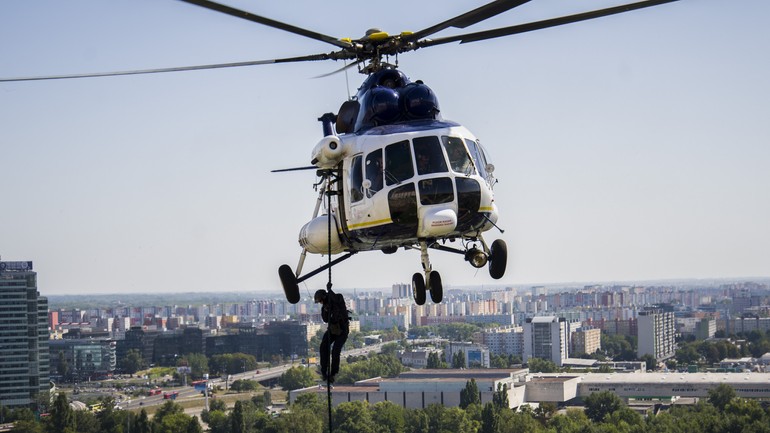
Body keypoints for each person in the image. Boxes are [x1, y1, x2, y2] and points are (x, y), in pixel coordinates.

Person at [315, 289, 350, 383]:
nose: (321, 303)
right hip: (333, 329)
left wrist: (330, 291)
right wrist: (326, 310)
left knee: (335, 351)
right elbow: (326, 320)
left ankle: (333, 373)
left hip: (342, 330)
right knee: (323, 346)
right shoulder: (325, 307)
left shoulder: (338, 298)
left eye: (321, 301)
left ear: (324, 297)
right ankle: (324, 371)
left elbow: (337, 299)